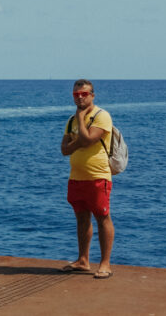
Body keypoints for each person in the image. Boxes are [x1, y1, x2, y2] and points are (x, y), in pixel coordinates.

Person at [60, 79, 115, 279]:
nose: (80, 98)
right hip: (76, 177)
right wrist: (79, 141)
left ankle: (105, 264)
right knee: (81, 218)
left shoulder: (102, 116)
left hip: (97, 176)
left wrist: (81, 120)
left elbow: (89, 139)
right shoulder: (71, 120)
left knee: (102, 217)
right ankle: (83, 260)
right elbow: (64, 150)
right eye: (76, 95)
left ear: (92, 95)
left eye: (84, 94)